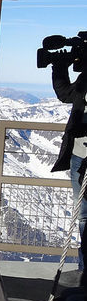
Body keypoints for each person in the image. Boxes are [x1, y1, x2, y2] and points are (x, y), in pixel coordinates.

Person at [49, 57, 87, 271]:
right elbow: (66, 94)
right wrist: (60, 66)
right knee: (83, 215)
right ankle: (84, 272)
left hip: (80, 154)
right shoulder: (85, 78)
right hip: (79, 155)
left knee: (84, 215)